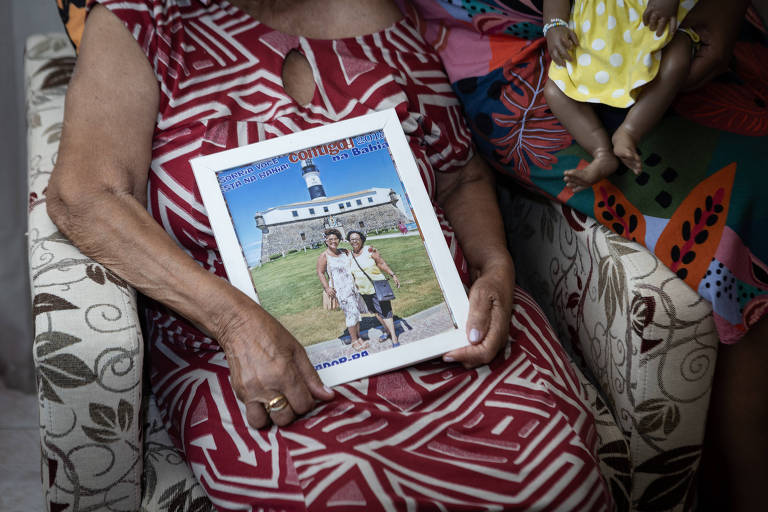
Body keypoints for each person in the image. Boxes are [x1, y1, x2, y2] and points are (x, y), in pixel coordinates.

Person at [48, 0, 612, 509]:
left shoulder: (401, 16)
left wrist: (495, 267)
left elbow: (460, 176)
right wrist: (237, 325)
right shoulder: (144, 22)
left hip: (454, 334)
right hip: (244, 359)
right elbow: (84, 196)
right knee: (343, 492)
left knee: (556, 478)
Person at [543, 0, 700, 192]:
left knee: (676, 63)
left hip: (650, 23)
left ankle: (629, 131)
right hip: (594, 30)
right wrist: (554, 24)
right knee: (554, 89)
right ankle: (601, 152)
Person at [316, 228, 368, 350]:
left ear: (339, 240)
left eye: (335, 239)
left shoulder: (344, 252)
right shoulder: (324, 256)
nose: (333, 241)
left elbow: (357, 253)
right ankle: (354, 340)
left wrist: (369, 250)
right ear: (326, 241)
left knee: (355, 312)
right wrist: (327, 287)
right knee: (351, 314)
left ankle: (359, 336)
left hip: (353, 287)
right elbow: (320, 272)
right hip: (340, 290)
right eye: (330, 239)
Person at [346, 230, 401, 345]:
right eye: (352, 239)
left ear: (362, 239)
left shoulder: (369, 250)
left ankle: (394, 337)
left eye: (357, 238)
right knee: (376, 312)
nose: (354, 241)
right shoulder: (349, 255)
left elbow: (381, 263)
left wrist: (393, 274)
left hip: (377, 287)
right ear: (349, 241)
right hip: (363, 291)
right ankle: (387, 331)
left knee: (386, 312)